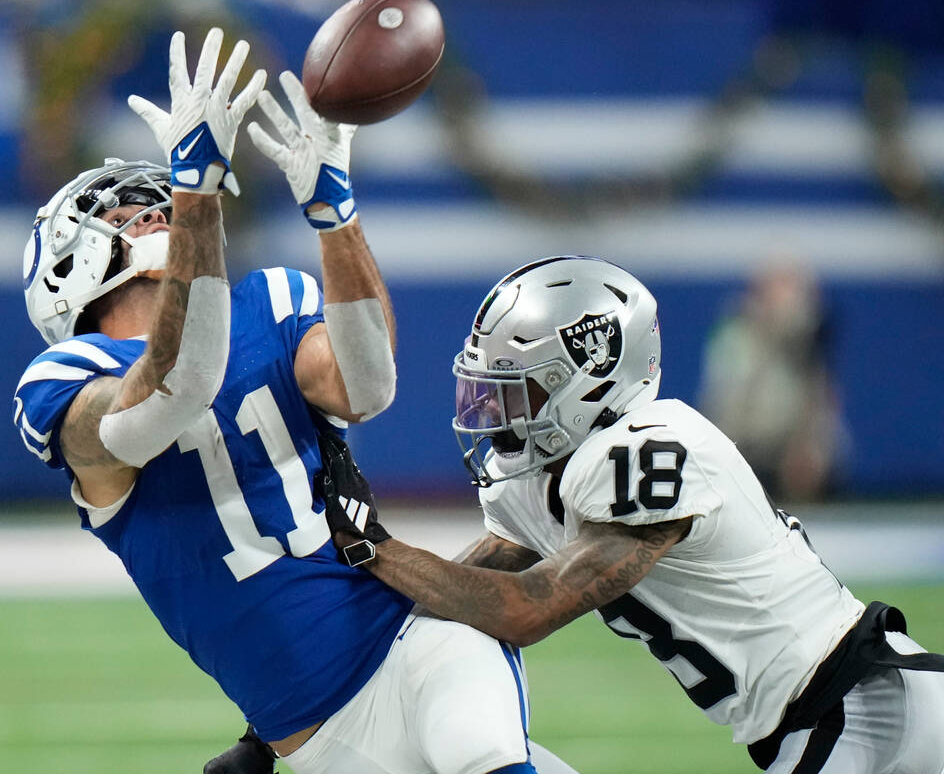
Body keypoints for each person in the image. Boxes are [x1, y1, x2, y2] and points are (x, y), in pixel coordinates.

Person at [13, 28, 576, 774]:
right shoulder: (62, 380)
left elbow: (367, 385)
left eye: (159, 205)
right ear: (63, 264)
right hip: (320, 742)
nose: (154, 216)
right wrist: (196, 197)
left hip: (416, 637)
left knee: (487, 758)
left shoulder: (270, 298)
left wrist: (334, 214)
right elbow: (177, 389)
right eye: (126, 214)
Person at [323, 255, 944, 774]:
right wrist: (266, 732)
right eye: (486, 389)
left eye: (518, 390)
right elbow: (431, 610)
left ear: (589, 381)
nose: (493, 412)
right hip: (818, 723)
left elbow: (524, 609)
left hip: (867, 707)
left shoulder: (651, 448)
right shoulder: (536, 482)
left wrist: (376, 545)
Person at [699, 260, 846, 501]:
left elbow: (822, 403)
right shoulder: (734, 333)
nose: (782, 296)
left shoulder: (813, 336)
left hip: (797, 450)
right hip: (746, 447)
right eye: (774, 285)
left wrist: (807, 448)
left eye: (789, 286)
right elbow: (723, 404)